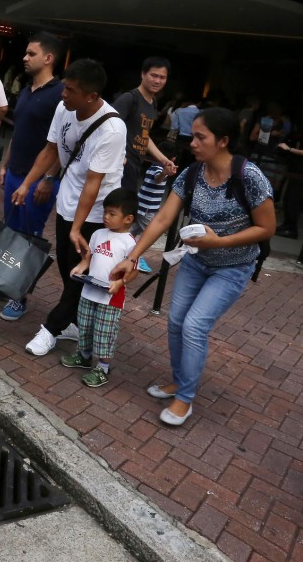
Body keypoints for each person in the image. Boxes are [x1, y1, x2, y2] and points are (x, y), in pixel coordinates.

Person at [110, 108, 275, 426]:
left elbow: (267, 228)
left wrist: (220, 242)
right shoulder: (192, 174)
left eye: (201, 137)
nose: (193, 143)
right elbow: (162, 218)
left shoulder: (249, 176)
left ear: (223, 141)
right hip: (196, 260)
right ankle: (179, 379)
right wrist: (132, 256)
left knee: (195, 326)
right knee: (175, 322)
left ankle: (184, 398)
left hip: (233, 266)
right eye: (193, 136)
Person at [10, 59, 127, 357]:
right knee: (66, 268)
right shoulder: (65, 108)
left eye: (71, 90)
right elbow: (50, 149)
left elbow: (93, 182)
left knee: (78, 274)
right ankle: (75, 322)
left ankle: (51, 329)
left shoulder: (112, 129)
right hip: (68, 204)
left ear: (90, 96)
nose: (63, 94)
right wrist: (28, 184)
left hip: (98, 213)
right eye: (65, 87)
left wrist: (77, 227)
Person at [0, 32, 64, 322]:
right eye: (25, 53)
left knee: (29, 240)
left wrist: (48, 178)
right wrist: (6, 165)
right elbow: (19, 132)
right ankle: (3, 285)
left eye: (31, 54)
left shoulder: (60, 96)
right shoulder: (27, 91)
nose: (24, 58)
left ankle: (20, 297)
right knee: (10, 235)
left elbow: (61, 144)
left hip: (38, 181)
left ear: (48, 58)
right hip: (15, 174)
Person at [60, 188, 139, 388]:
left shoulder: (130, 243)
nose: (106, 217)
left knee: (104, 333)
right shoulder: (97, 234)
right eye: (105, 212)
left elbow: (134, 270)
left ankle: (103, 367)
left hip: (110, 299)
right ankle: (85, 357)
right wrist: (81, 267)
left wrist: (120, 283)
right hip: (89, 291)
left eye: (112, 214)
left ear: (128, 219)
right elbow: (89, 257)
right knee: (85, 327)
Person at [111, 57, 177, 191]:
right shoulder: (130, 98)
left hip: (135, 165)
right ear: (143, 74)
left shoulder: (153, 103)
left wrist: (163, 160)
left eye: (162, 77)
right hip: (120, 166)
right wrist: (120, 157)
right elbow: (107, 127)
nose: (158, 81)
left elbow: (144, 135)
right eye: (154, 75)